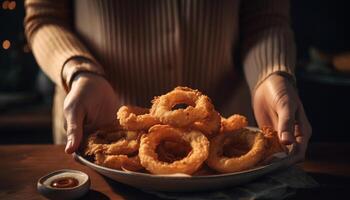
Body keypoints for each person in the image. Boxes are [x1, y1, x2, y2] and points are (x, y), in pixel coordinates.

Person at [24, 0, 311, 164]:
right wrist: (77, 70)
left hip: (225, 137)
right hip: (96, 122)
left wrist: (271, 74)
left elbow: (266, 18)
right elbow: (44, 16)